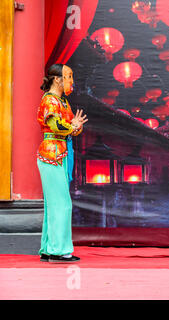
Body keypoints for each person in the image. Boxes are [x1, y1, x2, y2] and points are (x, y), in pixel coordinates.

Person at [36, 64, 88, 263]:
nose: (71, 81)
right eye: (68, 76)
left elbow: (70, 128)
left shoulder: (62, 102)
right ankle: (59, 250)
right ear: (57, 79)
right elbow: (54, 125)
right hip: (51, 153)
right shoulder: (50, 100)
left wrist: (76, 127)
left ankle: (49, 248)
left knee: (54, 204)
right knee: (62, 204)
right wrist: (72, 126)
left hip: (60, 152)